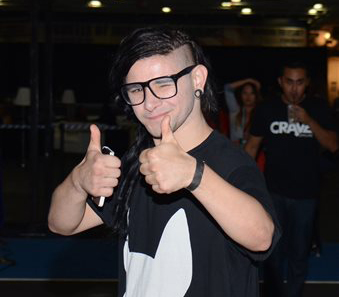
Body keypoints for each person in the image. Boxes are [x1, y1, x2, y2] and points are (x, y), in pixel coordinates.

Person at [48, 27, 280, 297]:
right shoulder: (135, 163)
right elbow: (62, 224)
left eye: (164, 84)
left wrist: (194, 175)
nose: (149, 103)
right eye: (136, 90)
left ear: (197, 79)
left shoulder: (231, 162)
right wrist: (78, 182)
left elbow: (262, 237)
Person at [244, 60, 338, 297]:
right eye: (289, 82)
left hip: (307, 194)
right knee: (272, 252)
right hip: (273, 192)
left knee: (299, 253)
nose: (294, 88)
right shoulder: (267, 109)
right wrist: (243, 184)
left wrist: (309, 121)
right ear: (280, 82)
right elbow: (252, 148)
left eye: (299, 82)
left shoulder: (318, 108)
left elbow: (333, 145)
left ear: (306, 83)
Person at [223, 78, 265, 171]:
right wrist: (249, 80)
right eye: (245, 93)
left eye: (252, 93)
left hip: (255, 156)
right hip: (235, 155)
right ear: (240, 95)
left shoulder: (261, 113)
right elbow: (227, 89)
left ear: (256, 95)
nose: (248, 97)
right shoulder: (235, 111)